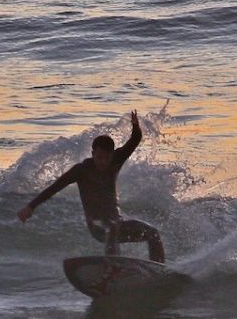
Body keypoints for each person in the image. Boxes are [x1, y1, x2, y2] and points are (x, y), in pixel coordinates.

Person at [17, 110, 165, 263]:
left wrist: (135, 126)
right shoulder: (81, 170)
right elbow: (54, 188)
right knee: (112, 227)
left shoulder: (116, 160)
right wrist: (31, 207)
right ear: (93, 153)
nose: (103, 162)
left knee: (153, 234)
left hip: (117, 223)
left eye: (107, 158)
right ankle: (112, 267)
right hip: (98, 227)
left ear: (112, 155)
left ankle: (158, 269)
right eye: (99, 157)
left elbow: (135, 140)